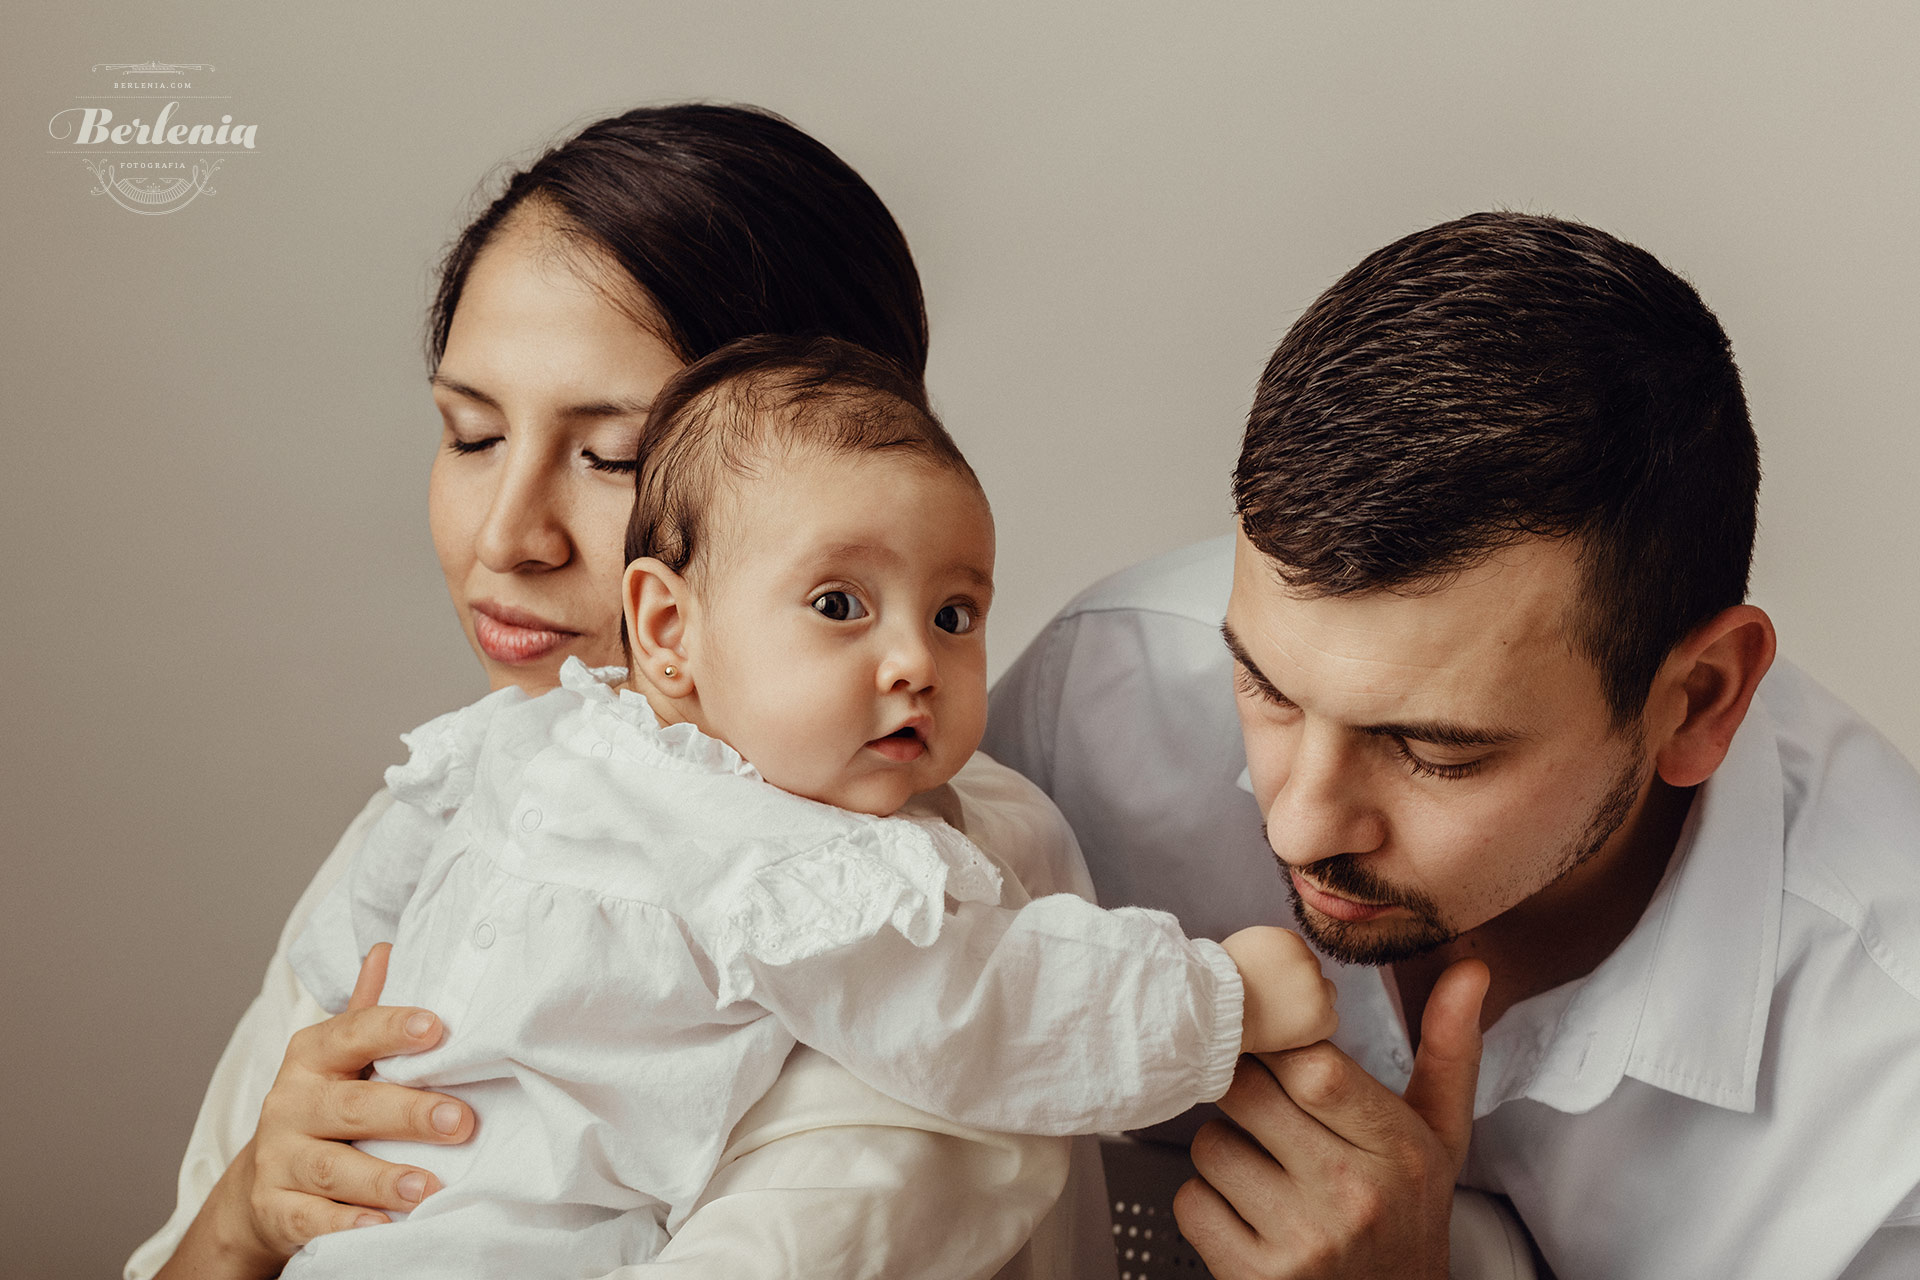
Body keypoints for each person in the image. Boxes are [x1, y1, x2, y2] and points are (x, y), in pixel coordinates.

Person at [130, 103, 1097, 1280]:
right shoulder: (477, 795)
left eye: (614, 457)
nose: (507, 534)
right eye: (472, 432)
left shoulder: (922, 895)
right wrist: (242, 1216)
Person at [275, 335, 1336, 1278]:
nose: (915, 658)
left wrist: (340, 1018)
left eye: (957, 611)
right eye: (840, 604)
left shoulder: (541, 739)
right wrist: (1221, 997)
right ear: (668, 625)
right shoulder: (787, 860)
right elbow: (988, 1000)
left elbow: (363, 919)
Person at [985, 211, 1920, 1278]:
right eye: (1264, 684)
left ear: (1698, 700)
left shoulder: (1894, 1117)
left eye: (1437, 749)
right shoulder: (1103, 700)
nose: (1296, 823)